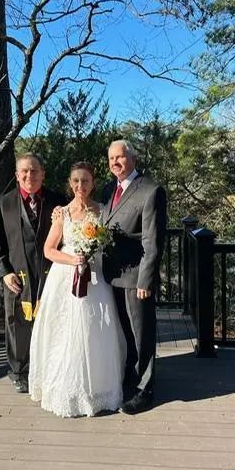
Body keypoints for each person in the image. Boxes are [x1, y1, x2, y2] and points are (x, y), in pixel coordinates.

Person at [29, 162, 126, 417]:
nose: (80, 186)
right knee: (65, 332)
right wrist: (73, 260)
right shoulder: (62, 213)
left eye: (85, 181)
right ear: (69, 184)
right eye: (75, 181)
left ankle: (99, 389)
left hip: (95, 280)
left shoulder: (104, 211)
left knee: (96, 332)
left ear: (93, 183)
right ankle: (66, 389)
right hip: (65, 279)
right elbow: (49, 249)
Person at [102, 140, 167, 414]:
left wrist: (146, 280)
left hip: (135, 278)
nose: (115, 162)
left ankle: (145, 390)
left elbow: (153, 241)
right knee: (126, 334)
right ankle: (131, 377)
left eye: (121, 157)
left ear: (133, 158)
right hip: (112, 276)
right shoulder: (109, 189)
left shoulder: (151, 191)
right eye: (111, 158)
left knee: (142, 335)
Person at [0, 152, 66, 393]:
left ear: (43, 174)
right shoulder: (3, 203)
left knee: (51, 320)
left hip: (50, 273)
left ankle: (48, 368)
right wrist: (4, 272)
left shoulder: (59, 201)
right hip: (17, 274)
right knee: (17, 324)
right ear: (16, 175)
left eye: (34, 170)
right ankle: (18, 371)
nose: (29, 175)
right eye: (24, 171)